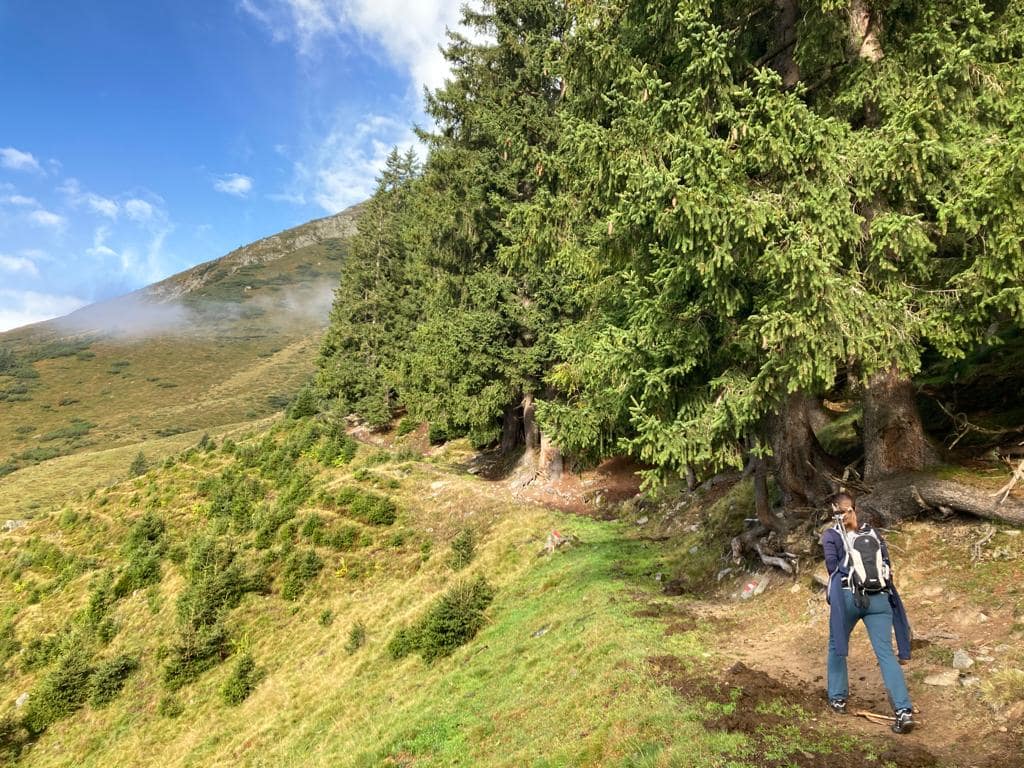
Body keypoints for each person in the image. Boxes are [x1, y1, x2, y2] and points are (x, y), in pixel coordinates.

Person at [822, 491, 915, 734]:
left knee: (836, 644)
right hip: (880, 599)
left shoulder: (831, 535)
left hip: (848, 598)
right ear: (854, 508)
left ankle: (838, 698)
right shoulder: (872, 533)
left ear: (835, 510)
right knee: (885, 653)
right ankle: (903, 711)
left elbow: (832, 568)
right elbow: (887, 565)